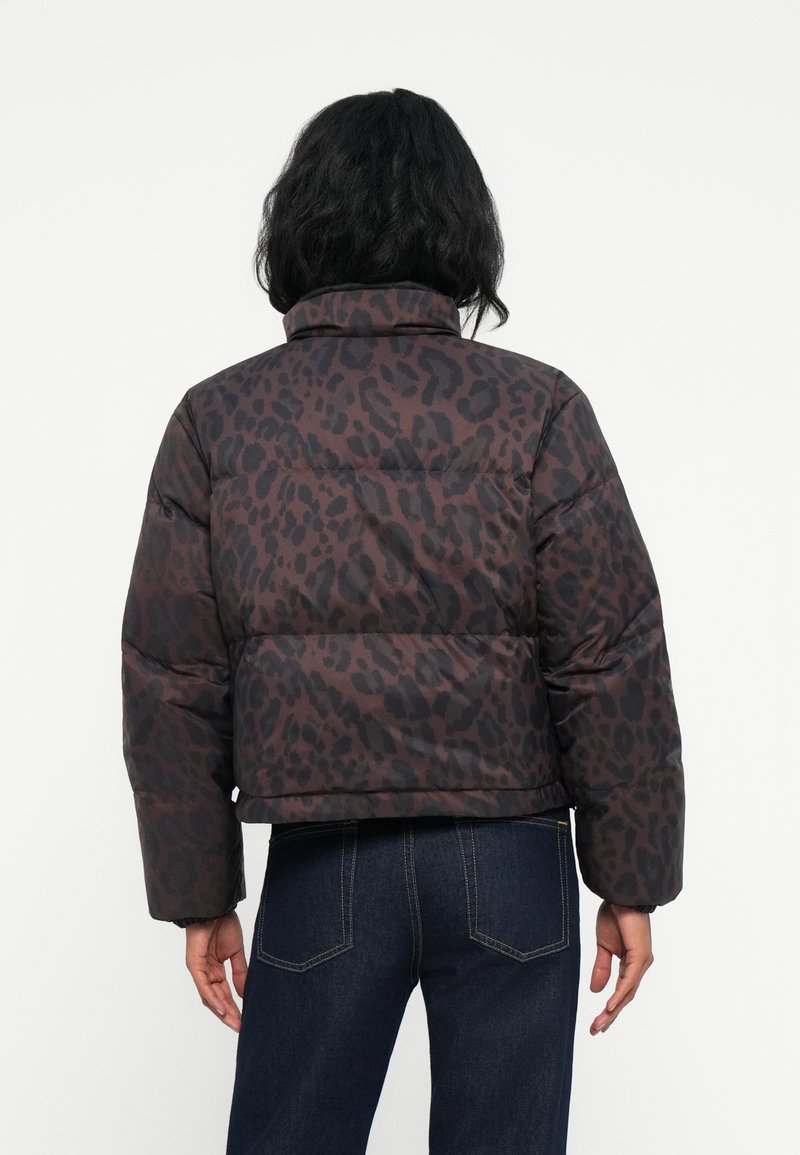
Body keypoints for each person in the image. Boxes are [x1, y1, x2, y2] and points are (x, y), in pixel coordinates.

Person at [120, 87, 685, 1155]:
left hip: (323, 866)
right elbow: (610, 654)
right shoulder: (538, 408)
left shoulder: (219, 420)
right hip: (509, 859)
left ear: (299, 225)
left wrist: (200, 892)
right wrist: (631, 874)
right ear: (461, 229)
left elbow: (171, 676)